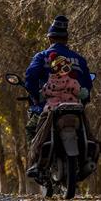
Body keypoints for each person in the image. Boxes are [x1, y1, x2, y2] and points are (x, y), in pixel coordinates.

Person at [24, 15, 93, 179]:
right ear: (66, 38)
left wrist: (36, 96)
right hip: (74, 107)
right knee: (87, 130)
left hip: (50, 107)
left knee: (33, 128)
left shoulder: (42, 57)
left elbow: (30, 78)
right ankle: (89, 157)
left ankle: (35, 162)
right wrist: (83, 98)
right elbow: (87, 85)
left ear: (49, 38)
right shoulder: (79, 60)